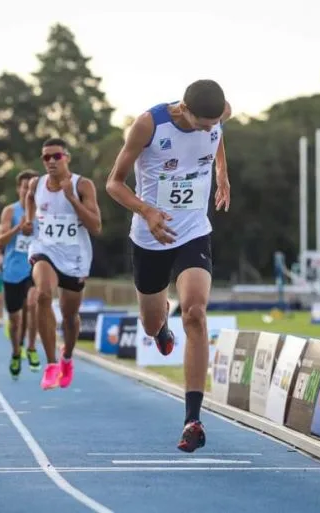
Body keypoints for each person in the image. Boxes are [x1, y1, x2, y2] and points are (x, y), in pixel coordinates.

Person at [105, 79, 232, 452]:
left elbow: (218, 137)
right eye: (202, 123)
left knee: (195, 313)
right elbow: (114, 183)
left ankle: (192, 418)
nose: (210, 128)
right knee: (151, 321)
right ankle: (161, 329)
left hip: (194, 229)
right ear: (185, 109)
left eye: (214, 123)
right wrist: (146, 211)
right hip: (151, 236)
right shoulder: (149, 124)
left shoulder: (219, 114)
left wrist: (222, 173)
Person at [25, 137, 102, 391]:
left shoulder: (83, 185)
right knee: (43, 294)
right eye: (45, 157)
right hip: (44, 249)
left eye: (56, 156)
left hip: (74, 257)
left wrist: (72, 199)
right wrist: (28, 219)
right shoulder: (37, 184)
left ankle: (66, 357)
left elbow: (96, 226)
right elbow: (29, 197)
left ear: (66, 157)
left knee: (70, 317)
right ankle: (50, 365)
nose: (50, 161)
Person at [0, 170, 41, 377]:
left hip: (35, 267)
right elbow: (0, 242)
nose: (28, 191)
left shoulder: (44, 209)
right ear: (19, 189)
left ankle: (31, 348)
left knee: (33, 304)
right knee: (15, 321)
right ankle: (16, 352)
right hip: (13, 270)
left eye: (32, 187)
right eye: (25, 187)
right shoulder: (9, 211)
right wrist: (18, 228)